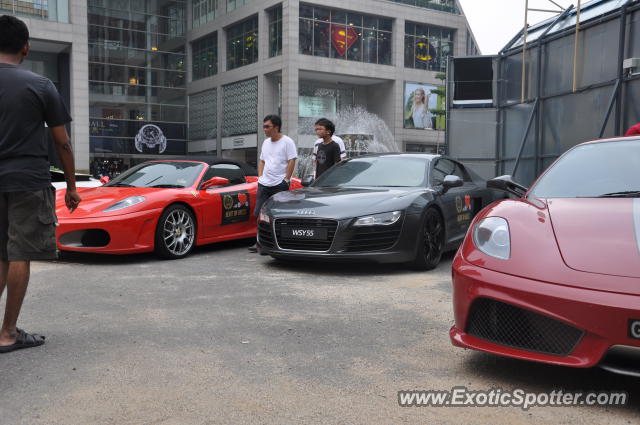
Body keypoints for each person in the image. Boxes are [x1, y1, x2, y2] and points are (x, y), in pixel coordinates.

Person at [0, 15, 81, 353]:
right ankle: (7, 333)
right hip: (27, 180)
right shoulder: (41, 85)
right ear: (26, 47)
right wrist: (73, 186)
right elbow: (62, 142)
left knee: (0, 254)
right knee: (20, 253)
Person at [249, 115, 297, 253]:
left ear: (276, 127)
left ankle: (276, 244)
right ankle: (259, 243)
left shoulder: (287, 142)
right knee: (259, 213)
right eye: (264, 126)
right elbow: (262, 160)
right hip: (264, 184)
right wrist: (260, 177)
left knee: (277, 215)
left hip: (279, 184)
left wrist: (286, 180)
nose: (264, 129)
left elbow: (292, 160)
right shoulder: (266, 142)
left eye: (267, 126)